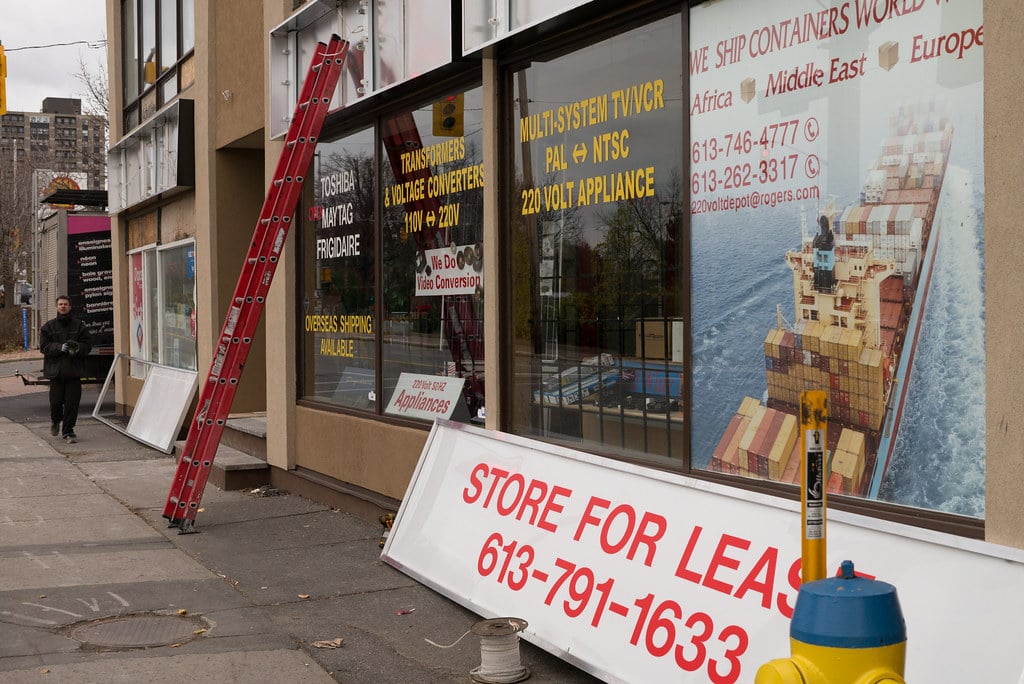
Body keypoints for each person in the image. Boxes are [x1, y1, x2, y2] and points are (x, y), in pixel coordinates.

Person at [40, 295, 92, 443]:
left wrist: (77, 348)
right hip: (56, 373)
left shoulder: (79, 326)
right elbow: (43, 347)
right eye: (60, 304)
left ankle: (68, 431)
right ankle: (55, 421)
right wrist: (59, 347)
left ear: (70, 307)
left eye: (66, 304)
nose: (63, 306)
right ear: (57, 307)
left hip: (74, 373)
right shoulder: (48, 327)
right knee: (55, 403)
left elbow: (88, 345)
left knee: (72, 404)